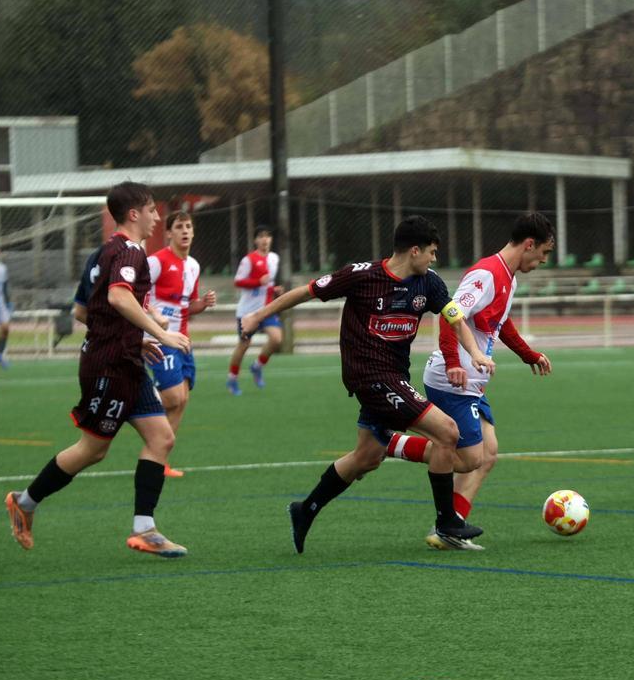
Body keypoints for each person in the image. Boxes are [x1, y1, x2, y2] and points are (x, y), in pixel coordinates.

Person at [239, 215, 494, 553]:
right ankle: (447, 522)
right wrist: (257, 316)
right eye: (431, 252)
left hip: (395, 377)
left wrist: (474, 351)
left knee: (366, 457)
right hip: (370, 378)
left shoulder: (428, 283)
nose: (435, 259)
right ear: (414, 250)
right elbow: (307, 291)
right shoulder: (362, 276)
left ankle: (305, 509)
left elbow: (455, 318)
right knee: (447, 432)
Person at [4, 182, 192, 557]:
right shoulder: (130, 253)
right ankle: (24, 502)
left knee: (161, 439)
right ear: (134, 214)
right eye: (152, 210)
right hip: (109, 367)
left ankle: (146, 529)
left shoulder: (101, 254)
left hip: (125, 361)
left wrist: (134, 340)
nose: (158, 217)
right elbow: (118, 296)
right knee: (92, 449)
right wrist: (160, 334)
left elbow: (83, 311)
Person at [383, 212, 555, 550]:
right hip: (454, 381)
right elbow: (450, 316)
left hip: (473, 383)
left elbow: (500, 325)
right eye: (544, 253)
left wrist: (528, 354)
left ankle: (451, 527)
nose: (543, 261)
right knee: (468, 458)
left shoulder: (509, 278)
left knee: (488, 454)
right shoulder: (486, 274)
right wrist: (452, 364)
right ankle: (391, 444)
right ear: (530, 244)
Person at [145, 211, 217, 477]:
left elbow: (188, 306)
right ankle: (139, 398)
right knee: (173, 396)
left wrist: (203, 304)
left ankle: (160, 460)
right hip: (157, 338)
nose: (185, 231)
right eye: (179, 226)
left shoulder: (194, 266)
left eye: (188, 226)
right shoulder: (157, 261)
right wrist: (154, 314)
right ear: (168, 233)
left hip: (182, 339)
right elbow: (136, 293)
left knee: (182, 399)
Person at [228, 225, 283, 395]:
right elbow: (238, 282)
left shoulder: (274, 258)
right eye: (261, 236)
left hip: (266, 309)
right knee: (244, 345)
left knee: (276, 339)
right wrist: (258, 282)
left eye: (268, 236)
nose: (265, 239)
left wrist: (274, 290)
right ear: (255, 240)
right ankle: (232, 379)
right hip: (247, 312)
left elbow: (269, 282)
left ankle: (257, 366)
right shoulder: (248, 260)